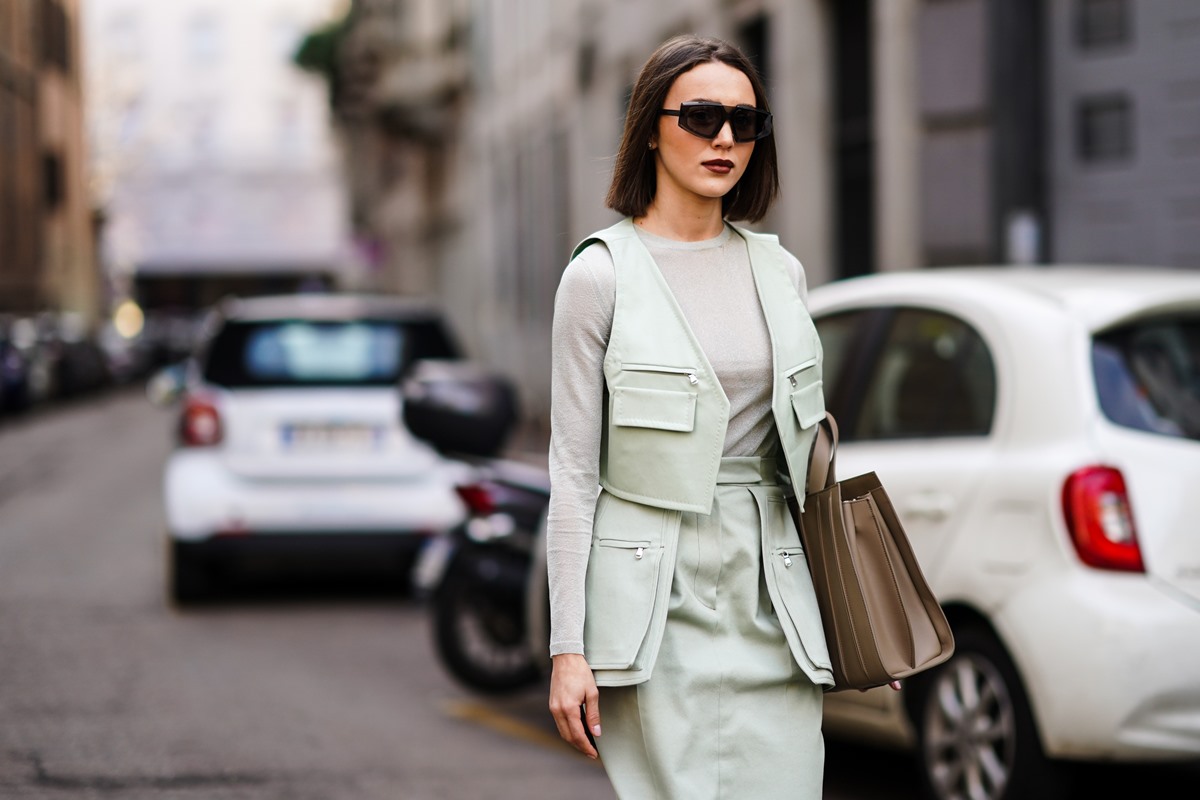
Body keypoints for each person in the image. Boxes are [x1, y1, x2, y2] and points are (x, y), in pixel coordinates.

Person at [546, 33, 898, 799]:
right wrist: (567, 648)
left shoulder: (781, 270)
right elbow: (573, 476)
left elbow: (806, 462)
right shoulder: (599, 277)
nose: (727, 140)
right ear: (650, 126)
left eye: (746, 123)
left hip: (773, 595)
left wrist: (856, 612)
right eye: (702, 118)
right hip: (651, 603)